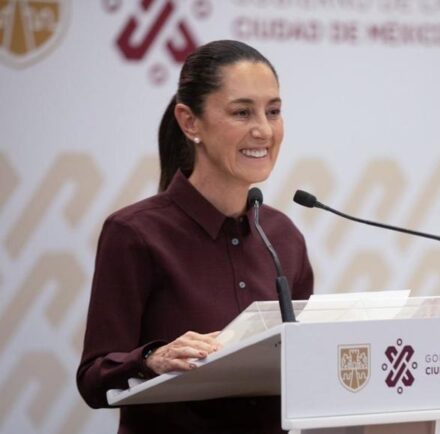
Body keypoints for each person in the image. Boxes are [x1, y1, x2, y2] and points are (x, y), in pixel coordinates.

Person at [77, 40, 314, 433]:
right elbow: (92, 380)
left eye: (273, 111)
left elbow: (303, 368)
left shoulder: (283, 236)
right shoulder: (134, 234)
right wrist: (151, 358)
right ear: (190, 122)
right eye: (242, 112)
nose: (263, 129)